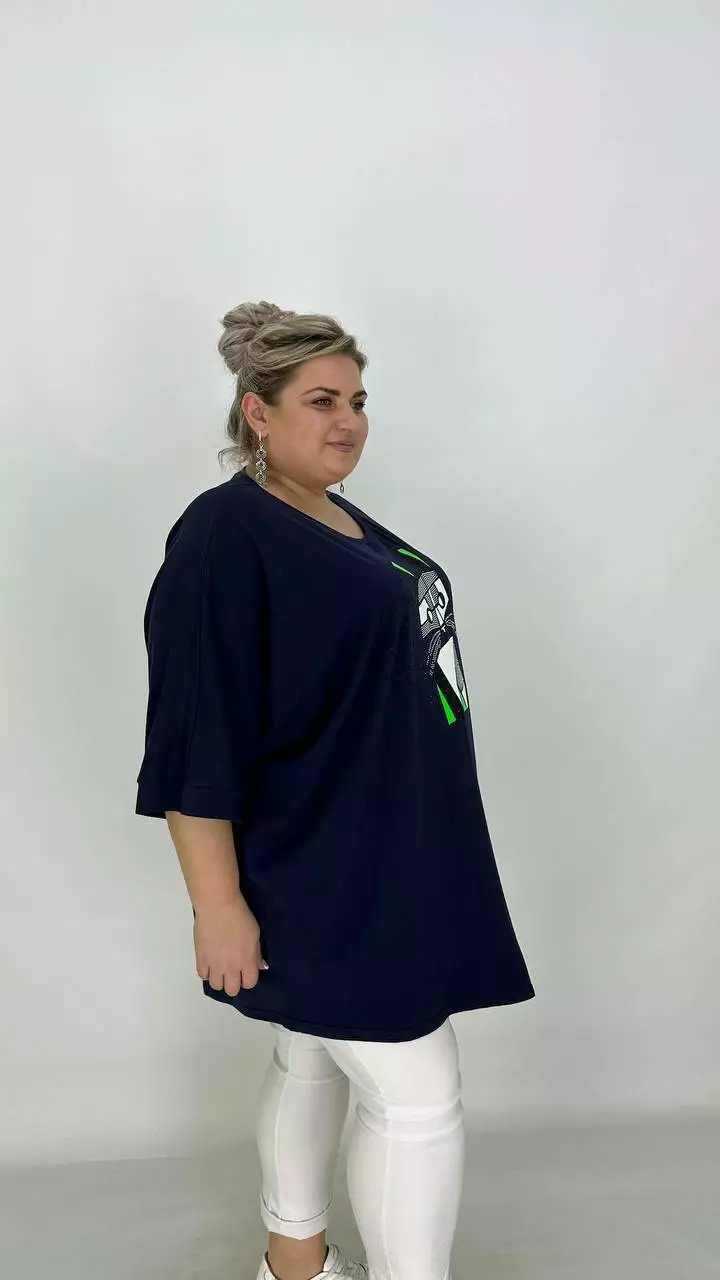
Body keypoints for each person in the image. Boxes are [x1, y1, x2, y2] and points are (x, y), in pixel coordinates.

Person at [135, 301, 535, 1280]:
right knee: (418, 1095)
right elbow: (193, 731)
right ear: (257, 411)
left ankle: (295, 1263)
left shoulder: (340, 516)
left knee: (312, 1054)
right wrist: (218, 905)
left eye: (358, 400)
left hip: (393, 852)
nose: (348, 420)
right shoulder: (226, 533)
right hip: (318, 865)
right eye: (321, 401)